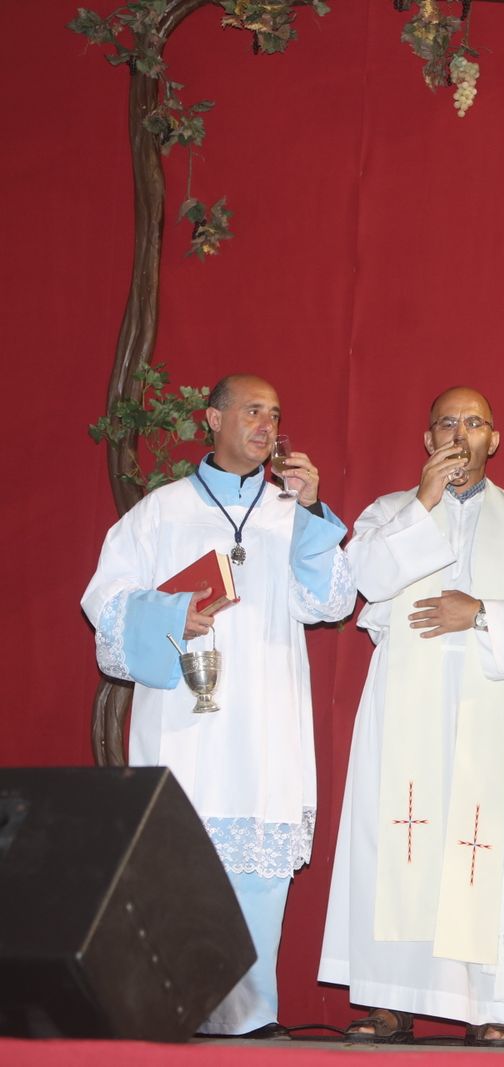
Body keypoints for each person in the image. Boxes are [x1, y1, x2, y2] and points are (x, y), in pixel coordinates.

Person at [81, 374, 354, 1037]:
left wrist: (314, 511)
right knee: (181, 856)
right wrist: (171, 614)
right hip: (185, 720)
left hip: (265, 716)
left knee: (258, 853)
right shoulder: (162, 511)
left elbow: (331, 601)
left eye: (275, 414)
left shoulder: (290, 513)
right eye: (252, 410)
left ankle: (249, 1013)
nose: (266, 424)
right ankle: (180, 1008)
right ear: (211, 418)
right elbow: (104, 602)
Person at [317, 387, 504, 1046]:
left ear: (495, 438)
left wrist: (482, 612)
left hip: (489, 697)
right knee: (399, 844)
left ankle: (491, 1002)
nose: (461, 434)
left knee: (486, 849)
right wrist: (424, 504)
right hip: (405, 705)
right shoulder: (390, 512)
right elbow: (363, 580)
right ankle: (390, 998)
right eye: (448, 423)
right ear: (428, 439)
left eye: (475, 422)